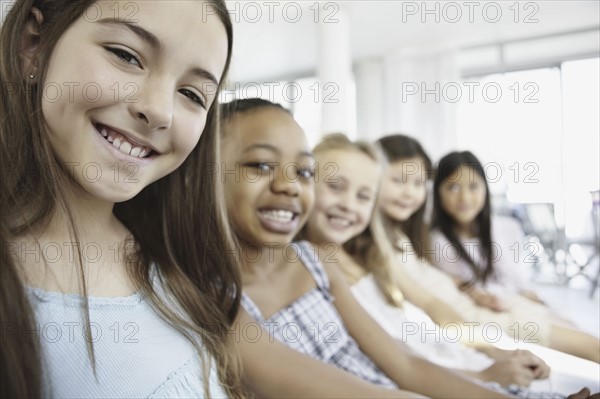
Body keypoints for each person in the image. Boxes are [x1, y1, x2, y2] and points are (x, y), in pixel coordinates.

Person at [219, 106, 586, 398]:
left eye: (302, 172)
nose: (288, 184)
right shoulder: (222, 299)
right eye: (261, 165)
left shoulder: (327, 263)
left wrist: (488, 363)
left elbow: (405, 360)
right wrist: (484, 370)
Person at [0, 1, 243, 397]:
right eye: (126, 55)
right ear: (33, 45)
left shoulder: (177, 261)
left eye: (192, 94)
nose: (158, 110)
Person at [430, 150, 600, 364]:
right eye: (453, 187)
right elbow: (450, 285)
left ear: (485, 189)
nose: (464, 197)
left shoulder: (502, 227)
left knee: (584, 336)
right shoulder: (436, 240)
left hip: (514, 301)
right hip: (492, 311)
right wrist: (482, 296)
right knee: (592, 347)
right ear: (437, 192)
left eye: (473, 187)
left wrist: (491, 230)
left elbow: (516, 279)